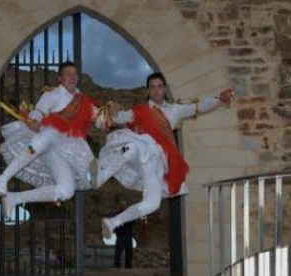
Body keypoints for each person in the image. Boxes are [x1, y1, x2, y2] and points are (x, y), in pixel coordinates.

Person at [96, 72, 234, 238]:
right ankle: (99, 175)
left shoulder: (174, 110)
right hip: (139, 149)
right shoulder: (140, 110)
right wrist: (111, 113)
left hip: (155, 162)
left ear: (164, 89)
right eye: (152, 87)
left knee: (153, 203)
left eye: (159, 86)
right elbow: (122, 116)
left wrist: (218, 100)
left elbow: (197, 107)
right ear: (148, 90)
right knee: (130, 148)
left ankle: (112, 223)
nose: (156, 90)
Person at [0, 61, 102, 218]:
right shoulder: (52, 95)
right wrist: (34, 120)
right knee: (45, 137)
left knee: (66, 191)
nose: (72, 77)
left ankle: (14, 198)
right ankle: (3, 179)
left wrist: (113, 114)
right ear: (60, 78)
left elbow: (101, 119)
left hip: (67, 151)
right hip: (48, 142)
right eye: (68, 74)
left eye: (74, 74)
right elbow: (38, 111)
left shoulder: (84, 102)